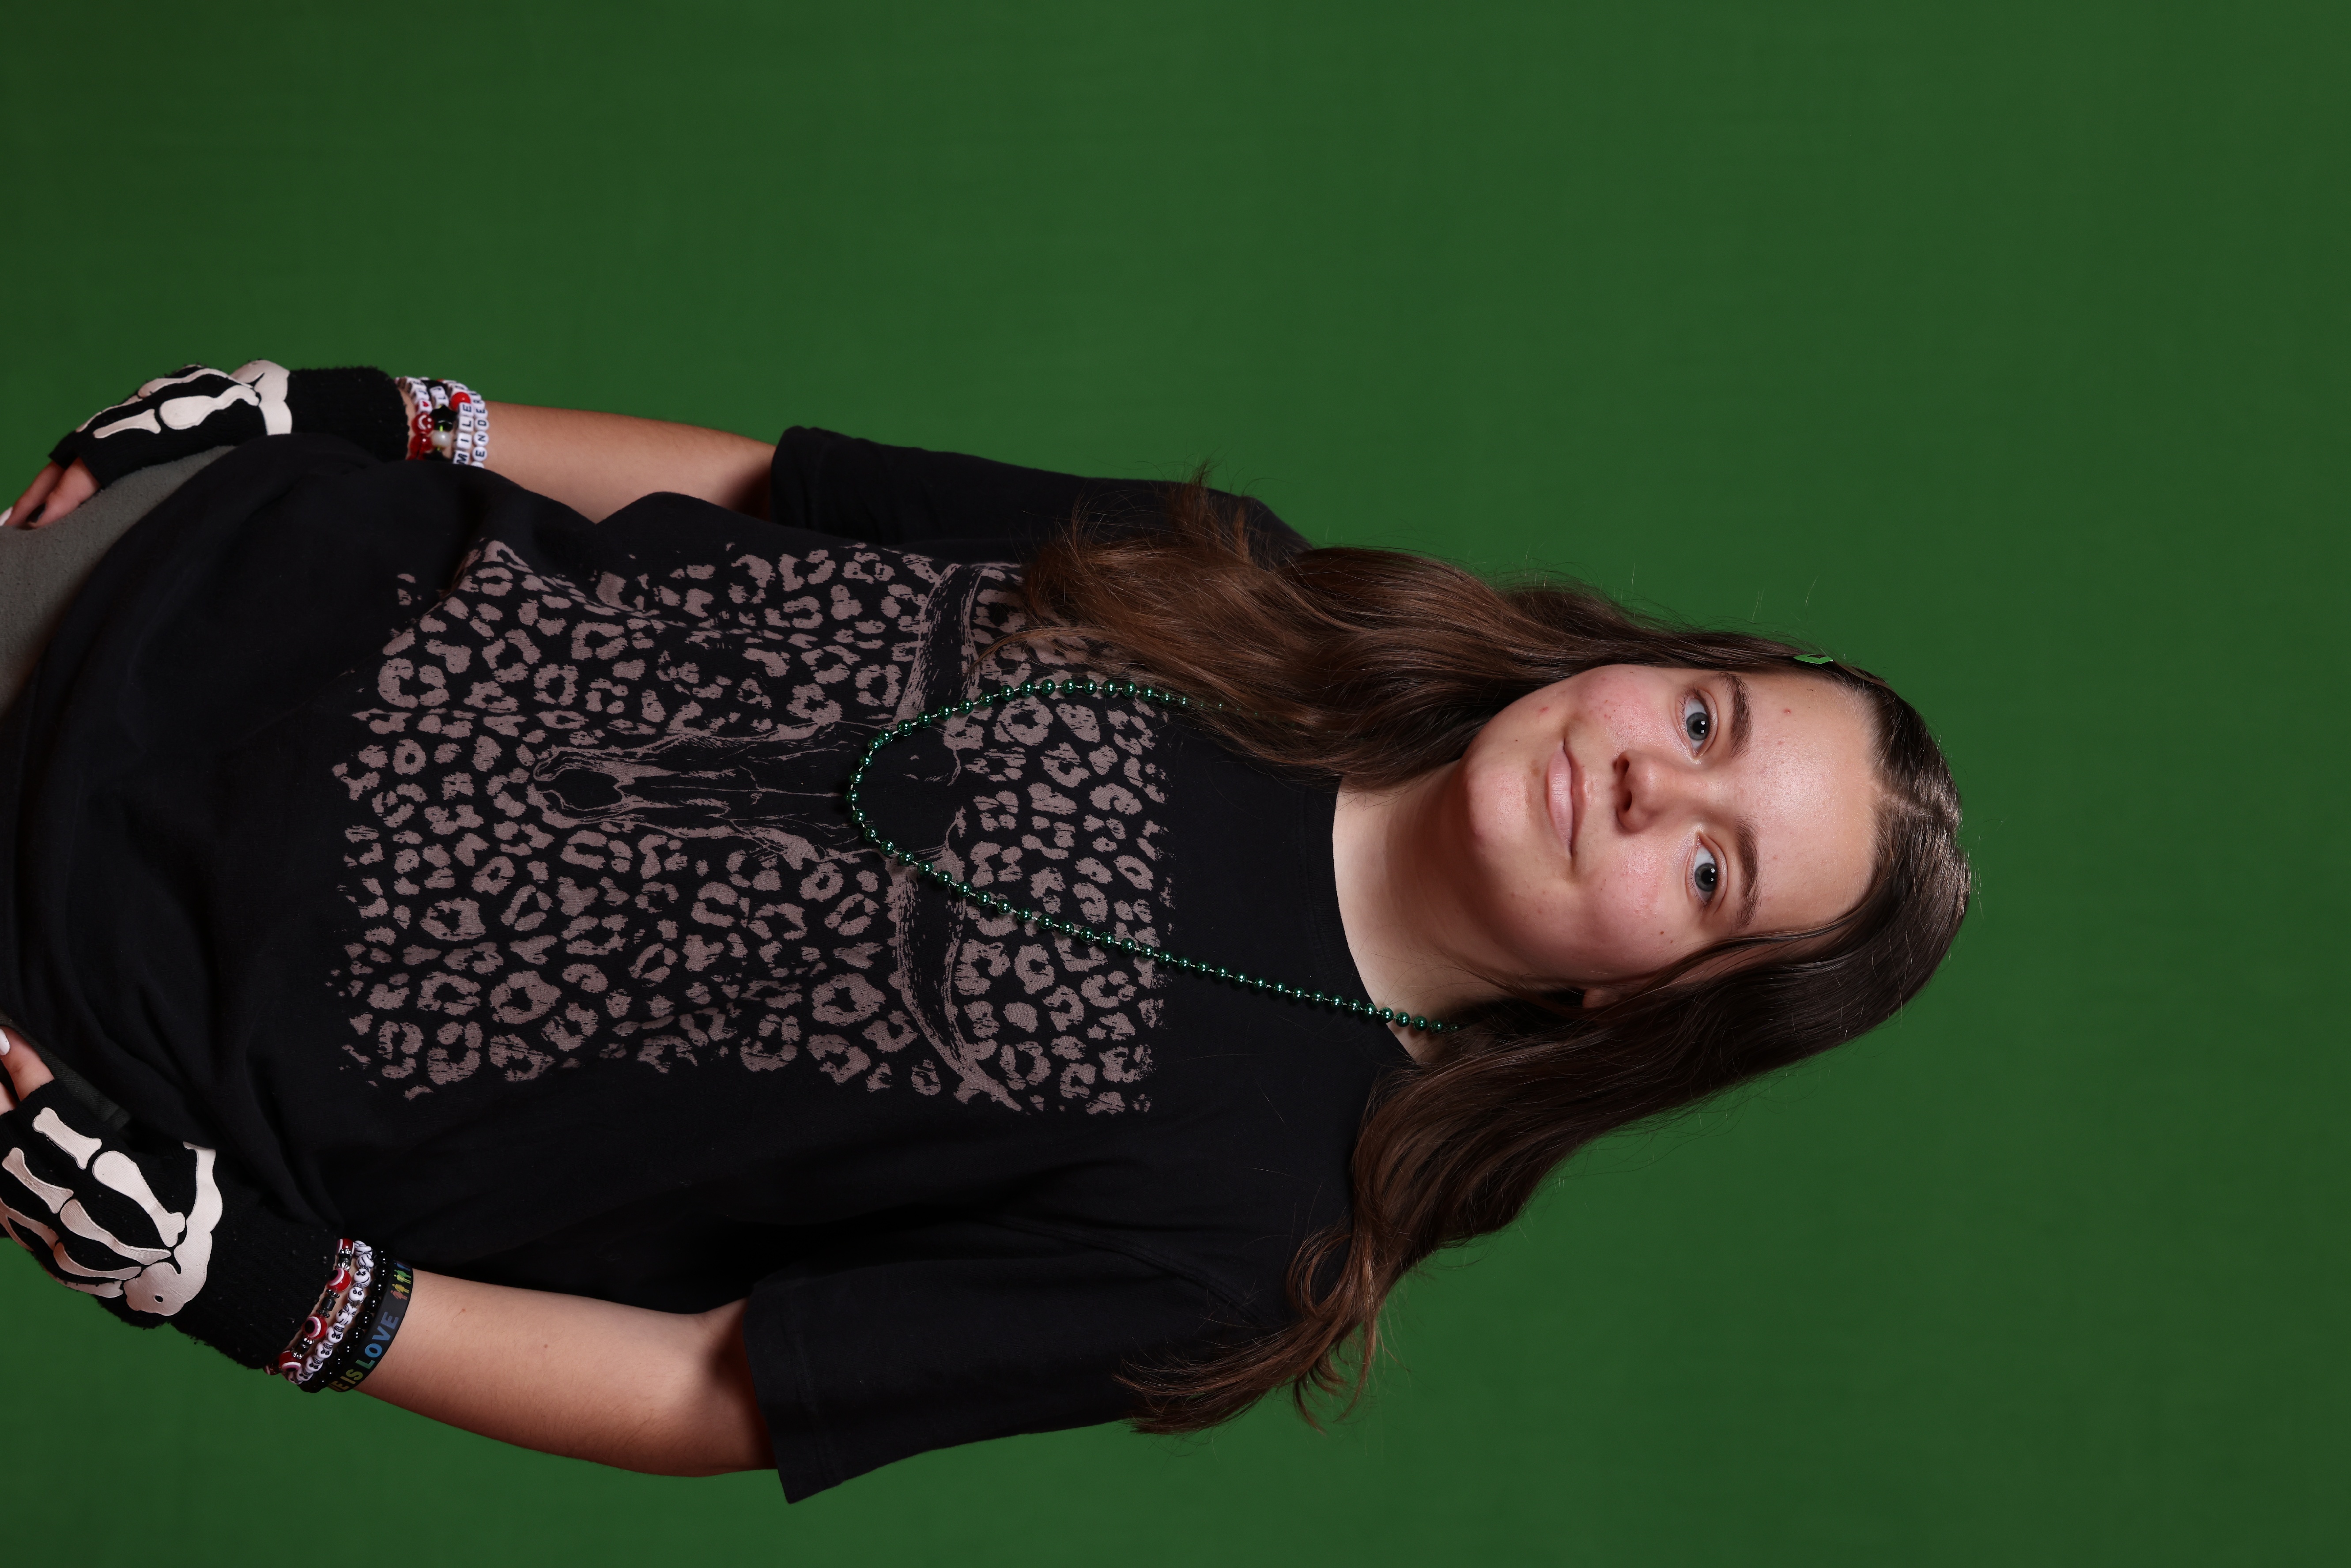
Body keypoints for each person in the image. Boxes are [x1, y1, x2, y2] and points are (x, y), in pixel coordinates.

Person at [0, 361, 1970, 1499]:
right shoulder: (1248, 582)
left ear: (1654, 1006)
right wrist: (371, 409)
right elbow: (769, 489)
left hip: (94, 993)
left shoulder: (1253, 1238)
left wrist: (259, 1288)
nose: (1647, 786)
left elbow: (721, 1390)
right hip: (181, 577)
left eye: (1712, 873)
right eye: (1702, 723)